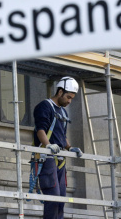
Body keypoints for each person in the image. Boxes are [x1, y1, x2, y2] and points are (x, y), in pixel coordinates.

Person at [33, 77, 83, 219]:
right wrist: (47, 145)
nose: (69, 101)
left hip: (59, 159)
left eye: (72, 98)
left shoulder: (63, 112)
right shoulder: (45, 106)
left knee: (61, 199)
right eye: (68, 97)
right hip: (47, 158)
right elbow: (41, 129)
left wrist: (70, 147)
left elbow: (61, 135)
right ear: (60, 92)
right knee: (53, 198)